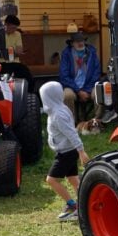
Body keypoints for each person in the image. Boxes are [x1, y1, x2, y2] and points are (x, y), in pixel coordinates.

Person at [39, 81, 90, 221]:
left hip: (66, 153)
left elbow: (71, 133)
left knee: (51, 180)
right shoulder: (60, 109)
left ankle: (72, 206)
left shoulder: (58, 115)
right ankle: (85, 205)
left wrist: (81, 151)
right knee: (73, 179)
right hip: (67, 150)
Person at [58, 32, 101, 121]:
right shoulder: (66, 54)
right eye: (77, 41)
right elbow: (64, 76)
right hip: (72, 86)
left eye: (82, 41)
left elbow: (96, 73)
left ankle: (97, 122)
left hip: (89, 85)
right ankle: (70, 122)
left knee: (99, 93)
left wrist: (87, 90)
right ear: (72, 43)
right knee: (67, 96)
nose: (80, 43)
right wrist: (78, 91)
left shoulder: (92, 52)